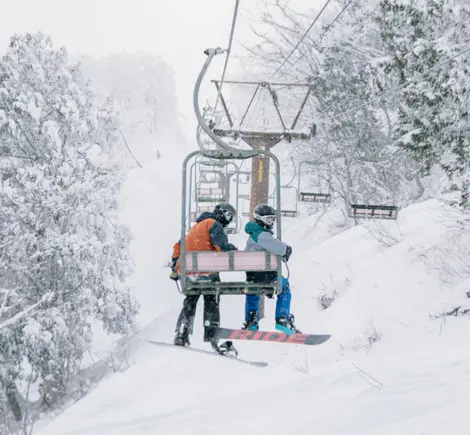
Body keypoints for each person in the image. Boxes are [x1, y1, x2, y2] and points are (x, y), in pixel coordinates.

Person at [170, 202, 237, 346]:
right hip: (207, 272)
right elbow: (222, 248)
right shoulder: (214, 224)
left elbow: (178, 246)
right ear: (222, 213)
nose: (229, 220)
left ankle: (182, 330)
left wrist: (176, 263)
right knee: (211, 299)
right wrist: (233, 249)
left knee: (191, 300)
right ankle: (212, 331)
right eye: (229, 216)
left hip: (189, 272)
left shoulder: (196, 228)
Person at [242, 204, 300, 335]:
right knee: (284, 288)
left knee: (252, 290)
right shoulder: (261, 235)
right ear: (259, 219)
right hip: (266, 275)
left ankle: (251, 320)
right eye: (269, 219)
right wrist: (287, 250)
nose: (272, 223)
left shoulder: (253, 234)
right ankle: (282, 319)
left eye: (273, 219)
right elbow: (280, 248)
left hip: (252, 276)